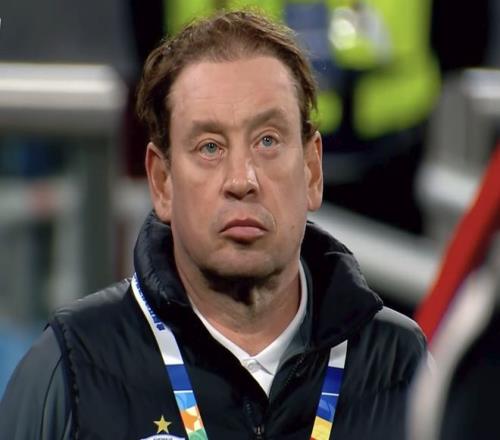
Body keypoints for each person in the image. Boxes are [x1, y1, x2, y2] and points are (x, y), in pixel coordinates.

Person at [0, 10, 426, 440]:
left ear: (312, 171)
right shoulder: (76, 364)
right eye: (209, 147)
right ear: (162, 182)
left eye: (267, 141)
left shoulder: (400, 363)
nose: (242, 179)